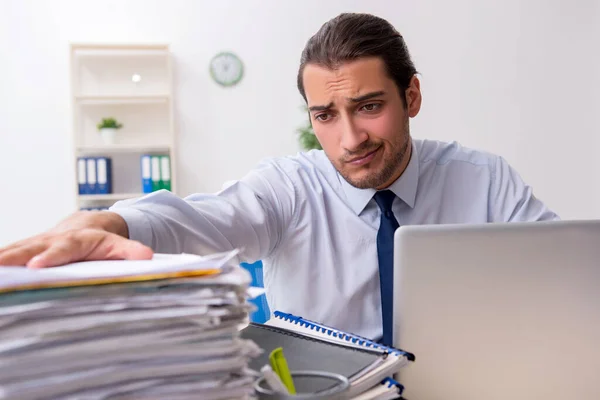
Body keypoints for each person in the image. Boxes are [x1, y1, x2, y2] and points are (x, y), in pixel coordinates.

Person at [0, 13, 558, 343]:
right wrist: (108, 220)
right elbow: (196, 218)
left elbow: (566, 274)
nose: (350, 139)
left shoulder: (485, 181)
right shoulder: (289, 188)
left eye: (368, 107)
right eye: (325, 116)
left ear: (410, 96)